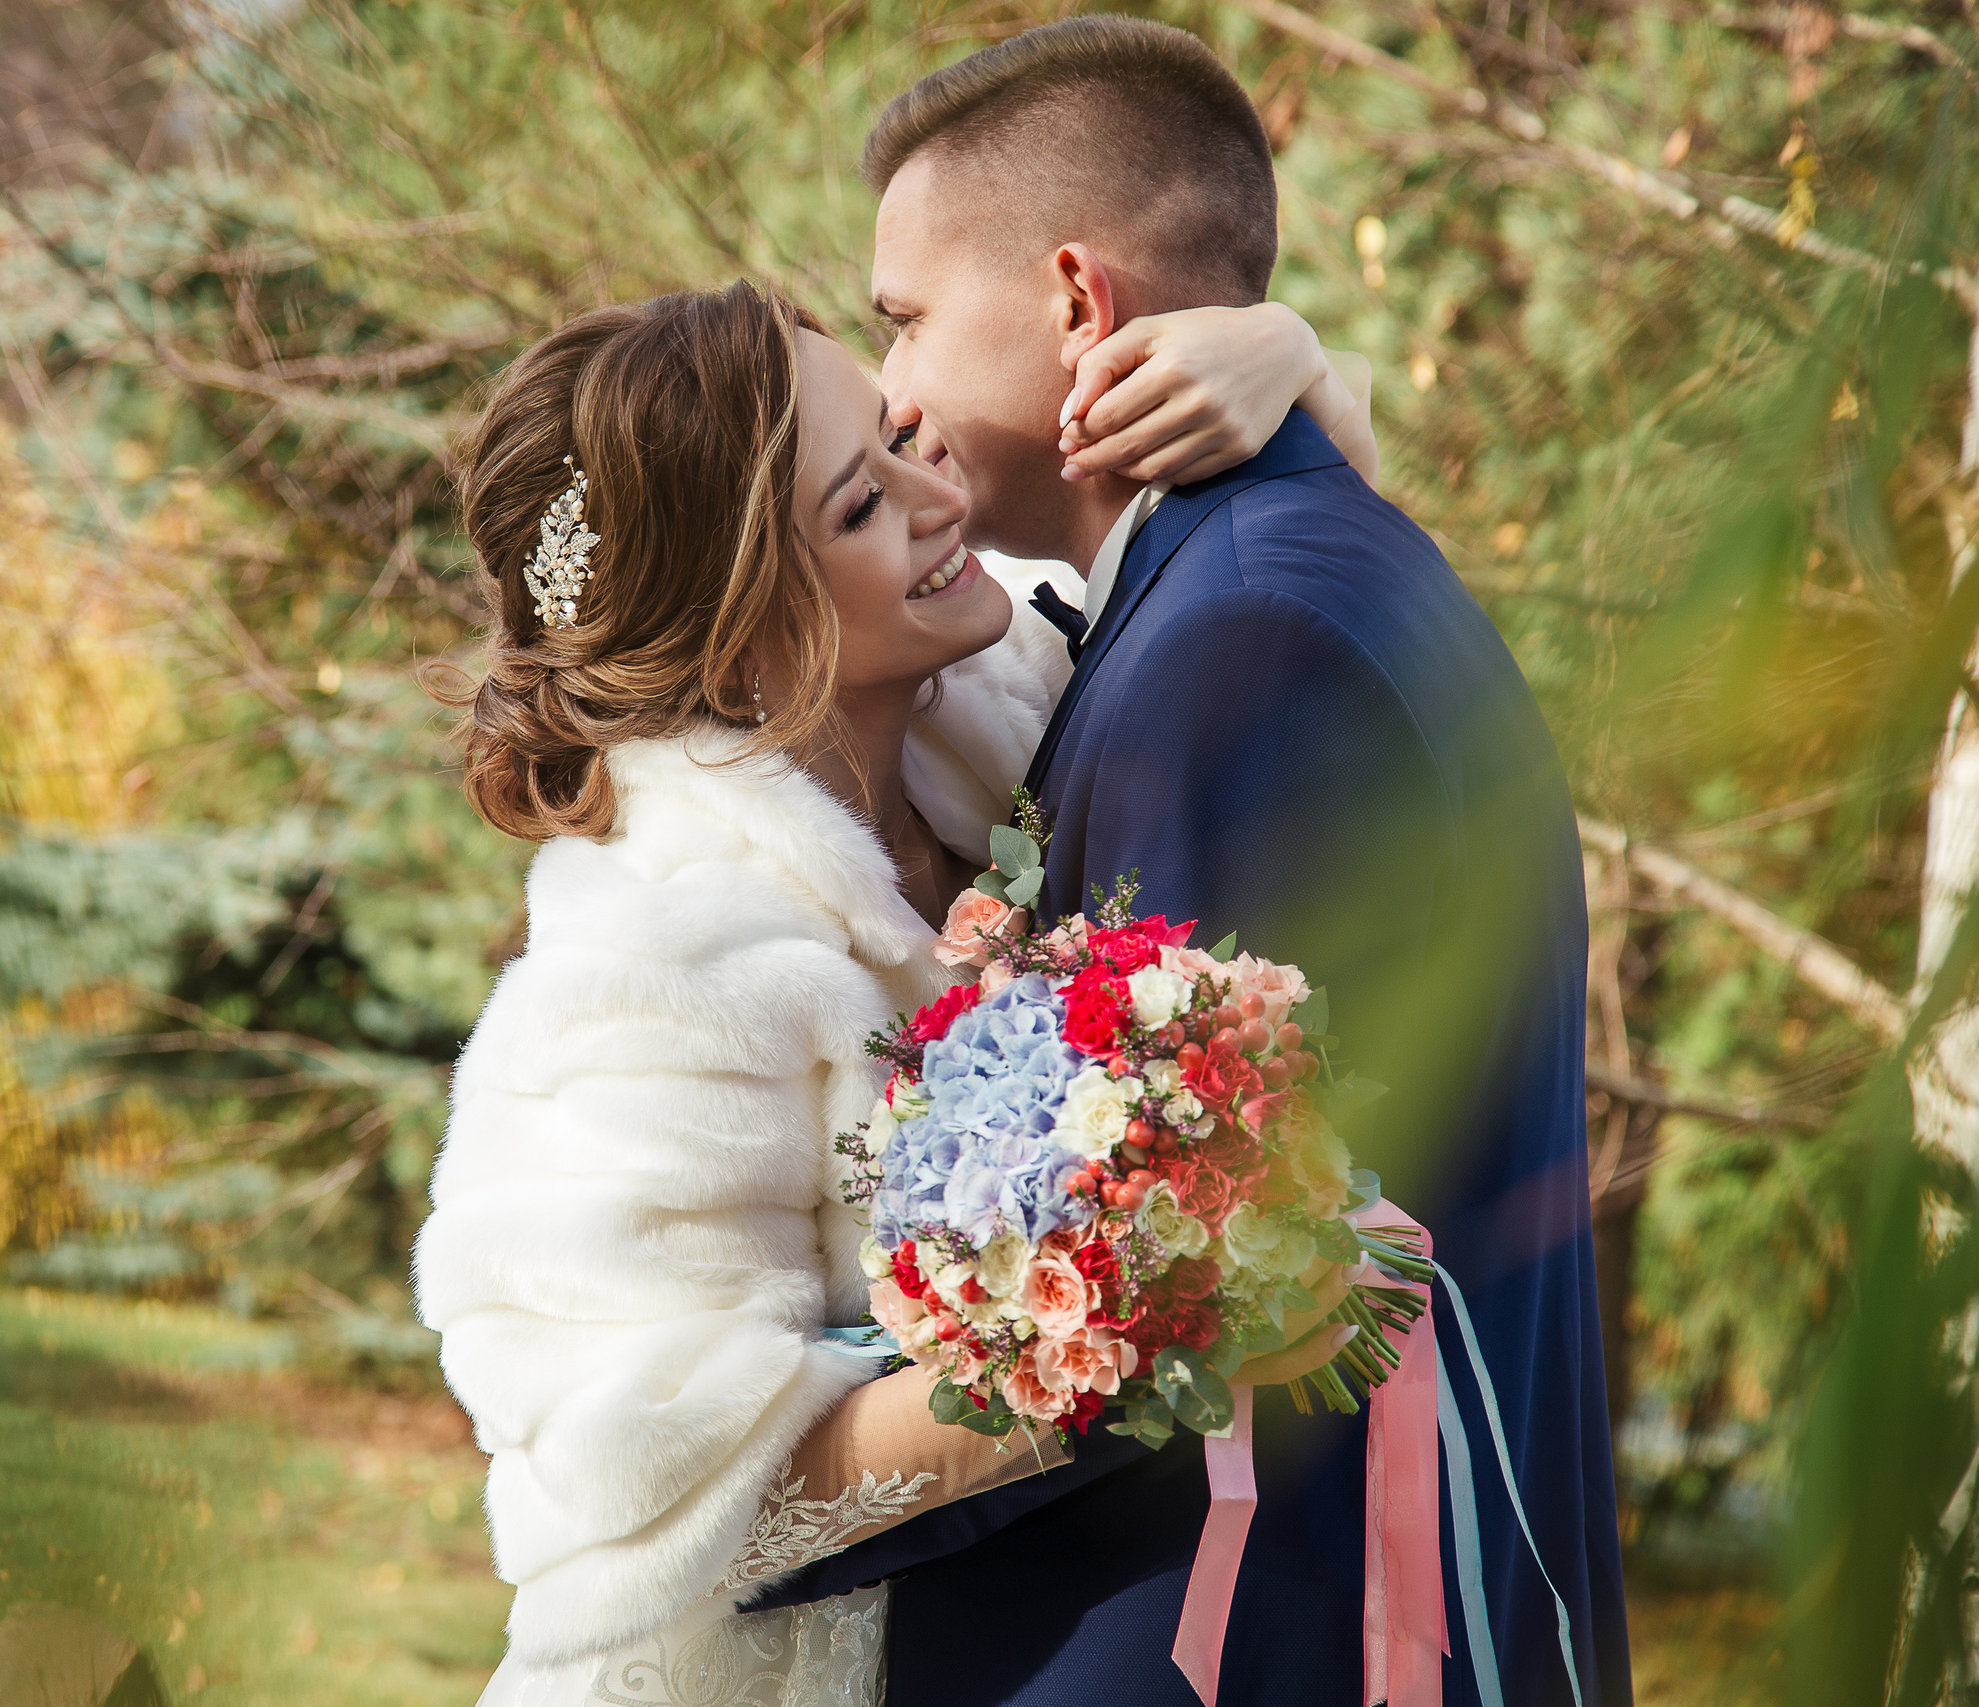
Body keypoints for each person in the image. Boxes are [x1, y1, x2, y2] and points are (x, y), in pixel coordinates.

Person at [747, 17, 1633, 1707]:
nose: (900, 398)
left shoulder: (1239, 647)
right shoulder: (1276, 571)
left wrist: (757, 1515)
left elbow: (1186, 1281)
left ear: (1081, 300)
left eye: (908, 322)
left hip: (1243, 1640)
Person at [414, 280, 1377, 1707]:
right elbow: (670, 1506)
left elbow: (1274, 619)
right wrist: (1134, 1323)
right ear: (741, 645)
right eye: (861, 508)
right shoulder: (651, 977)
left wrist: (1285, 351)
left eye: (902, 434)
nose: (940, 496)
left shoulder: (1004, 712)